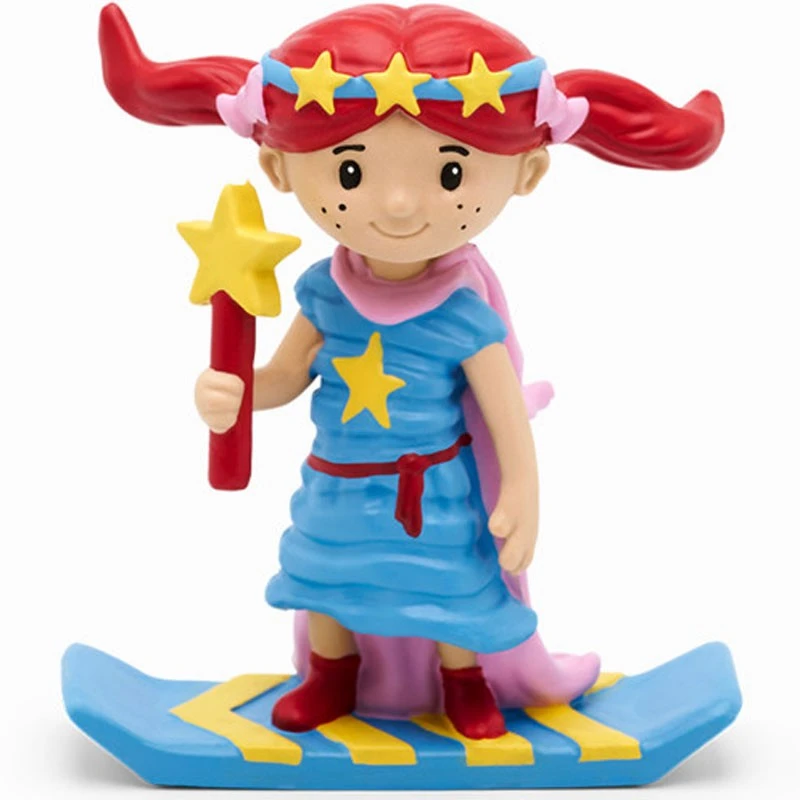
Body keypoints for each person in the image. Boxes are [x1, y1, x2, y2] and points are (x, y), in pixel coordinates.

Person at [99, 2, 723, 740]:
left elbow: (503, 413)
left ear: (526, 172)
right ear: (277, 168)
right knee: (326, 577)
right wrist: (234, 392)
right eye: (352, 171)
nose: (397, 205)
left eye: (450, 172)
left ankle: (464, 681)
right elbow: (286, 376)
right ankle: (331, 676)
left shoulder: (462, 311)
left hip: (429, 489)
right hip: (337, 480)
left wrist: (522, 491)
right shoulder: (326, 294)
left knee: (450, 586)